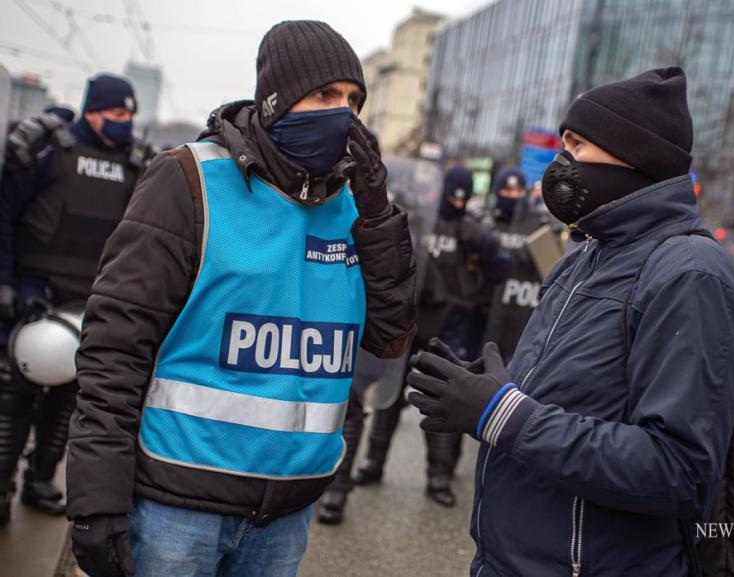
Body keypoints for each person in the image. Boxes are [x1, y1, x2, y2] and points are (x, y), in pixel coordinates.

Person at [66, 21, 416, 577]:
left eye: (354, 100)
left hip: (286, 515)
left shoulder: (356, 209)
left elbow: (390, 336)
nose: (343, 115)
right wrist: (96, 495)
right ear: (276, 100)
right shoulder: (189, 179)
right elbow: (115, 343)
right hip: (175, 507)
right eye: (324, 95)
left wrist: (378, 214)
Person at [407, 67, 734, 577]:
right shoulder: (584, 254)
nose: (561, 161)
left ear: (636, 154)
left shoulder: (690, 275)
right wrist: (497, 391)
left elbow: (678, 470)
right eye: (562, 142)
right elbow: (578, 406)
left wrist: (504, 415)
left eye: (578, 144)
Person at [0, 74, 140, 525]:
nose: (125, 123)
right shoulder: (46, 152)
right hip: (33, 296)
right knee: (13, 396)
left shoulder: (134, 165)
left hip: (91, 302)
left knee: (67, 399)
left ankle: (42, 479)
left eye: (130, 115)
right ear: (92, 111)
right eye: (117, 114)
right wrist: (8, 284)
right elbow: (5, 214)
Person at [349, 166, 510, 509]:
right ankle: (374, 462)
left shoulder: (473, 231)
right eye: (452, 190)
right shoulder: (419, 221)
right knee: (389, 396)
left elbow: (499, 272)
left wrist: (486, 247)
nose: (457, 198)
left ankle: (438, 474)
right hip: (410, 319)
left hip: (451, 326)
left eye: (463, 193)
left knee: (443, 397)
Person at [481, 166, 546, 361]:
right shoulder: (486, 221)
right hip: (484, 310)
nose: (513, 196)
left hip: (521, 314)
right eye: (507, 191)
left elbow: (549, 266)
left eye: (518, 191)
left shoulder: (539, 225)